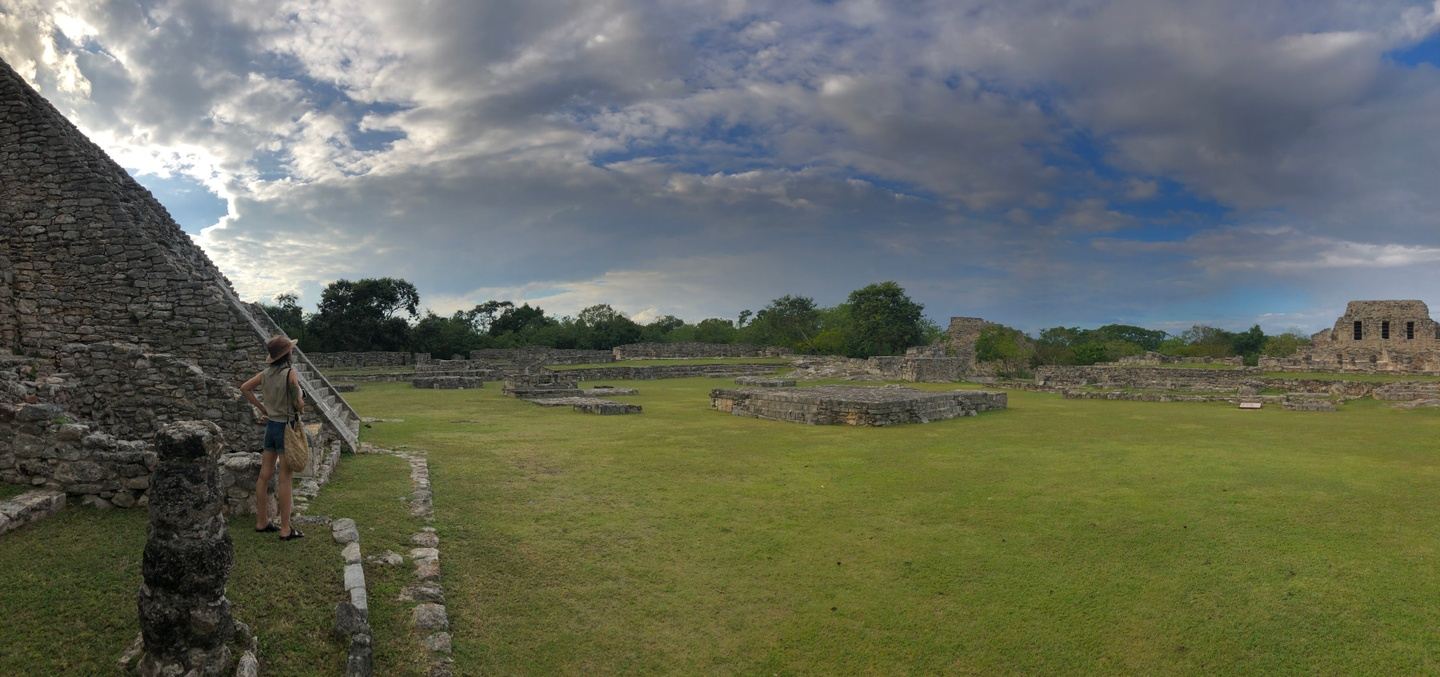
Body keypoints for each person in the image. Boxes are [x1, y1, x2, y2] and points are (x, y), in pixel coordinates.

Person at [239, 335, 306, 540]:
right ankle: (286, 528)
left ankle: (262, 521)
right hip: (287, 427)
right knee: (285, 478)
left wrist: (262, 409)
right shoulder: (290, 374)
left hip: (271, 426)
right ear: (287, 354)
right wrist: (301, 399)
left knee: (264, 475)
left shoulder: (265, 374)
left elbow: (244, 388)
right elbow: (298, 405)